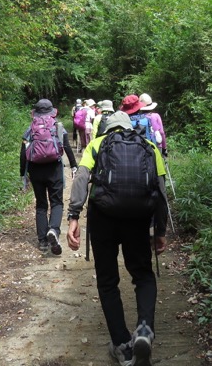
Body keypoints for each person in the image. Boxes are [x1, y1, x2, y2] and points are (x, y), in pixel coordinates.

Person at [66, 110, 169, 366]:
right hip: (138, 219)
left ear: (107, 128)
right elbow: (160, 189)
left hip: (104, 220)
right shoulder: (148, 146)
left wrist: (73, 216)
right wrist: (160, 230)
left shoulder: (97, 144)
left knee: (108, 280)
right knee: (143, 274)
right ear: (130, 127)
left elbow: (81, 179)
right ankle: (144, 329)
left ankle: (123, 345)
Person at [20, 99, 78, 255]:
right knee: (57, 202)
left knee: (41, 204)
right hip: (54, 169)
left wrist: (23, 175)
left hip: (36, 170)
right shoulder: (58, 127)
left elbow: (23, 153)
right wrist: (74, 165)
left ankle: (43, 242)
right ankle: (53, 229)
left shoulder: (30, 129)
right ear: (52, 112)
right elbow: (66, 147)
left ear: (36, 112)